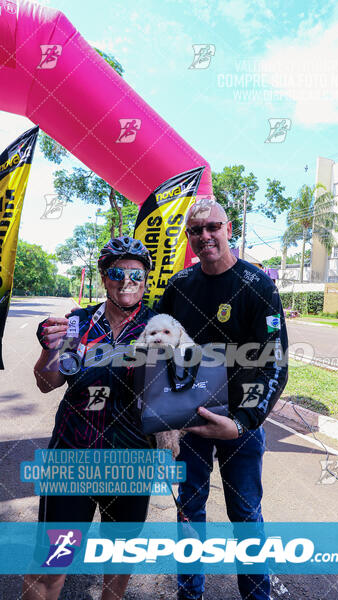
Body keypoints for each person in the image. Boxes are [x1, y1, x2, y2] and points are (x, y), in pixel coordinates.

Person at [156, 198, 289, 600]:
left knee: (246, 518)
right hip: (190, 423)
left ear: (229, 228)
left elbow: (274, 364)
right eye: (195, 230)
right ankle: (189, 595)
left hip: (239, 427)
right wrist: (164, 421)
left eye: (212, 227)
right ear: (189, 237)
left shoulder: (258, 286)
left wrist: (243, 422)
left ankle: (256, 596)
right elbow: (158, 356)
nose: (205, 236)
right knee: (188, 516)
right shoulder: (179, 287)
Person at [22, 237, 155, 600]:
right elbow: (47, 382)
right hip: (73, 459)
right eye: (116, 272)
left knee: (116, 570)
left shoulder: (160, 326)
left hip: (131, 465)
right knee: (51, 566)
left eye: (136, 274)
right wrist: (50, 349)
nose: (126, 281)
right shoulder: (78, 323)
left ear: (146, 280)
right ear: (103, 277)